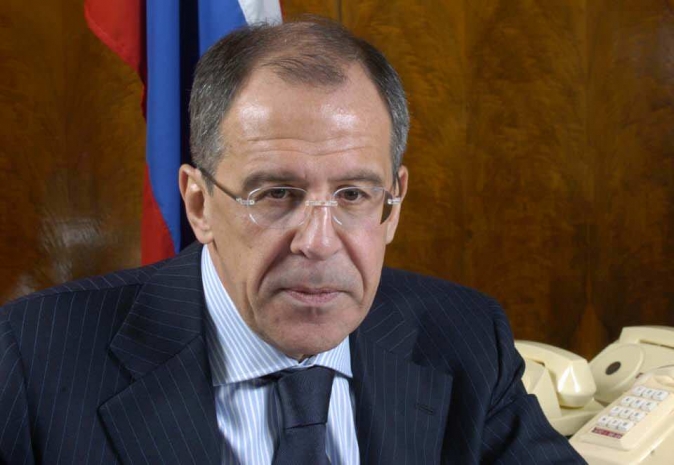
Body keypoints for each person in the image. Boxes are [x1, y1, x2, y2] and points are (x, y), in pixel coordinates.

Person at [0, 18, 585, 465]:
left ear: (393, 205)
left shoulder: (465, 339)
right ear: (200, 205)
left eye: (353, 194)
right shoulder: (32, 360)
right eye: (276, 194)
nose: (318, 242)